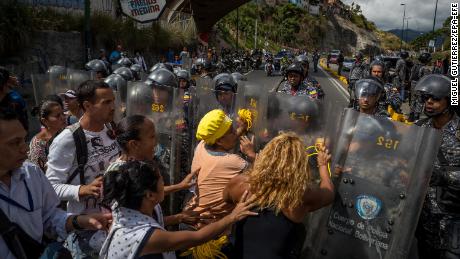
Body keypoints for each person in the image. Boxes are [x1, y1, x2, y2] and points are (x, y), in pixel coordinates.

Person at [0, 108, 112, 259]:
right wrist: (80, 190)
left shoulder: (31, 174)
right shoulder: (66, 139)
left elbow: (50, 217)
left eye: (24, 140)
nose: (25, 149)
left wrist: (79, 221)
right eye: (15, 143)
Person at [100, 160, 257, 259]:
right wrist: (232, 217)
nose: (164, 184)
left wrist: (178, 213)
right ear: (149, 195)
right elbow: (198, 237)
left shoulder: (122, 206)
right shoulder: (147, 237)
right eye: (161, 181)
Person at [224, 132, 334, 259]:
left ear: (266, 156)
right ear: (298, 165)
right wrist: (323, 166)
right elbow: (329, 193)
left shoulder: (240, 183)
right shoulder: (300, 196)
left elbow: (226, 198)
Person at [46, 80, 120, 256]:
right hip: (87, 230)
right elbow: (50, 187)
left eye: (113, 101)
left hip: (116, 220)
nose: (113, 107)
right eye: (106, 102)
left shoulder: (111, 128)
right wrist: (81, 190)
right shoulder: (68, 139)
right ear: (87, 105)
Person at [184, 109, 256, 229]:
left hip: (190, 215)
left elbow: (225, 138)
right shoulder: (233, 162)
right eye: (232, 131)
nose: (235, 132)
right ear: (219, 141)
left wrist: (242, 128)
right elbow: (261, 174)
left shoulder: (202, 145)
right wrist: (252, 155)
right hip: (206, 229)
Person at [414, 74, 460, 259]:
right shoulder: (419, 127)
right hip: (423, 216)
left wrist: (443, 177)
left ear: (449, 102)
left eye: (436, 99)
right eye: (426, 98)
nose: (429, 102)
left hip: (452, 218)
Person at [29, 99, 66, 171]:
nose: (63, 117)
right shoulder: (38, 143)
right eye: (57, 116)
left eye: (63, 113)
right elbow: (39, 171)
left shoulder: (65, 133)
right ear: (44, 121)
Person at [409, 52, 433, 122]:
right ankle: (416, 118)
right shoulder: (425, 69)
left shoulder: (415, 66)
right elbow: (426, 80)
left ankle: (411, 116)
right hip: (421, 86)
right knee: (420, 101)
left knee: (413, 100)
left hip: (413, 85)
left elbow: (411, 76)